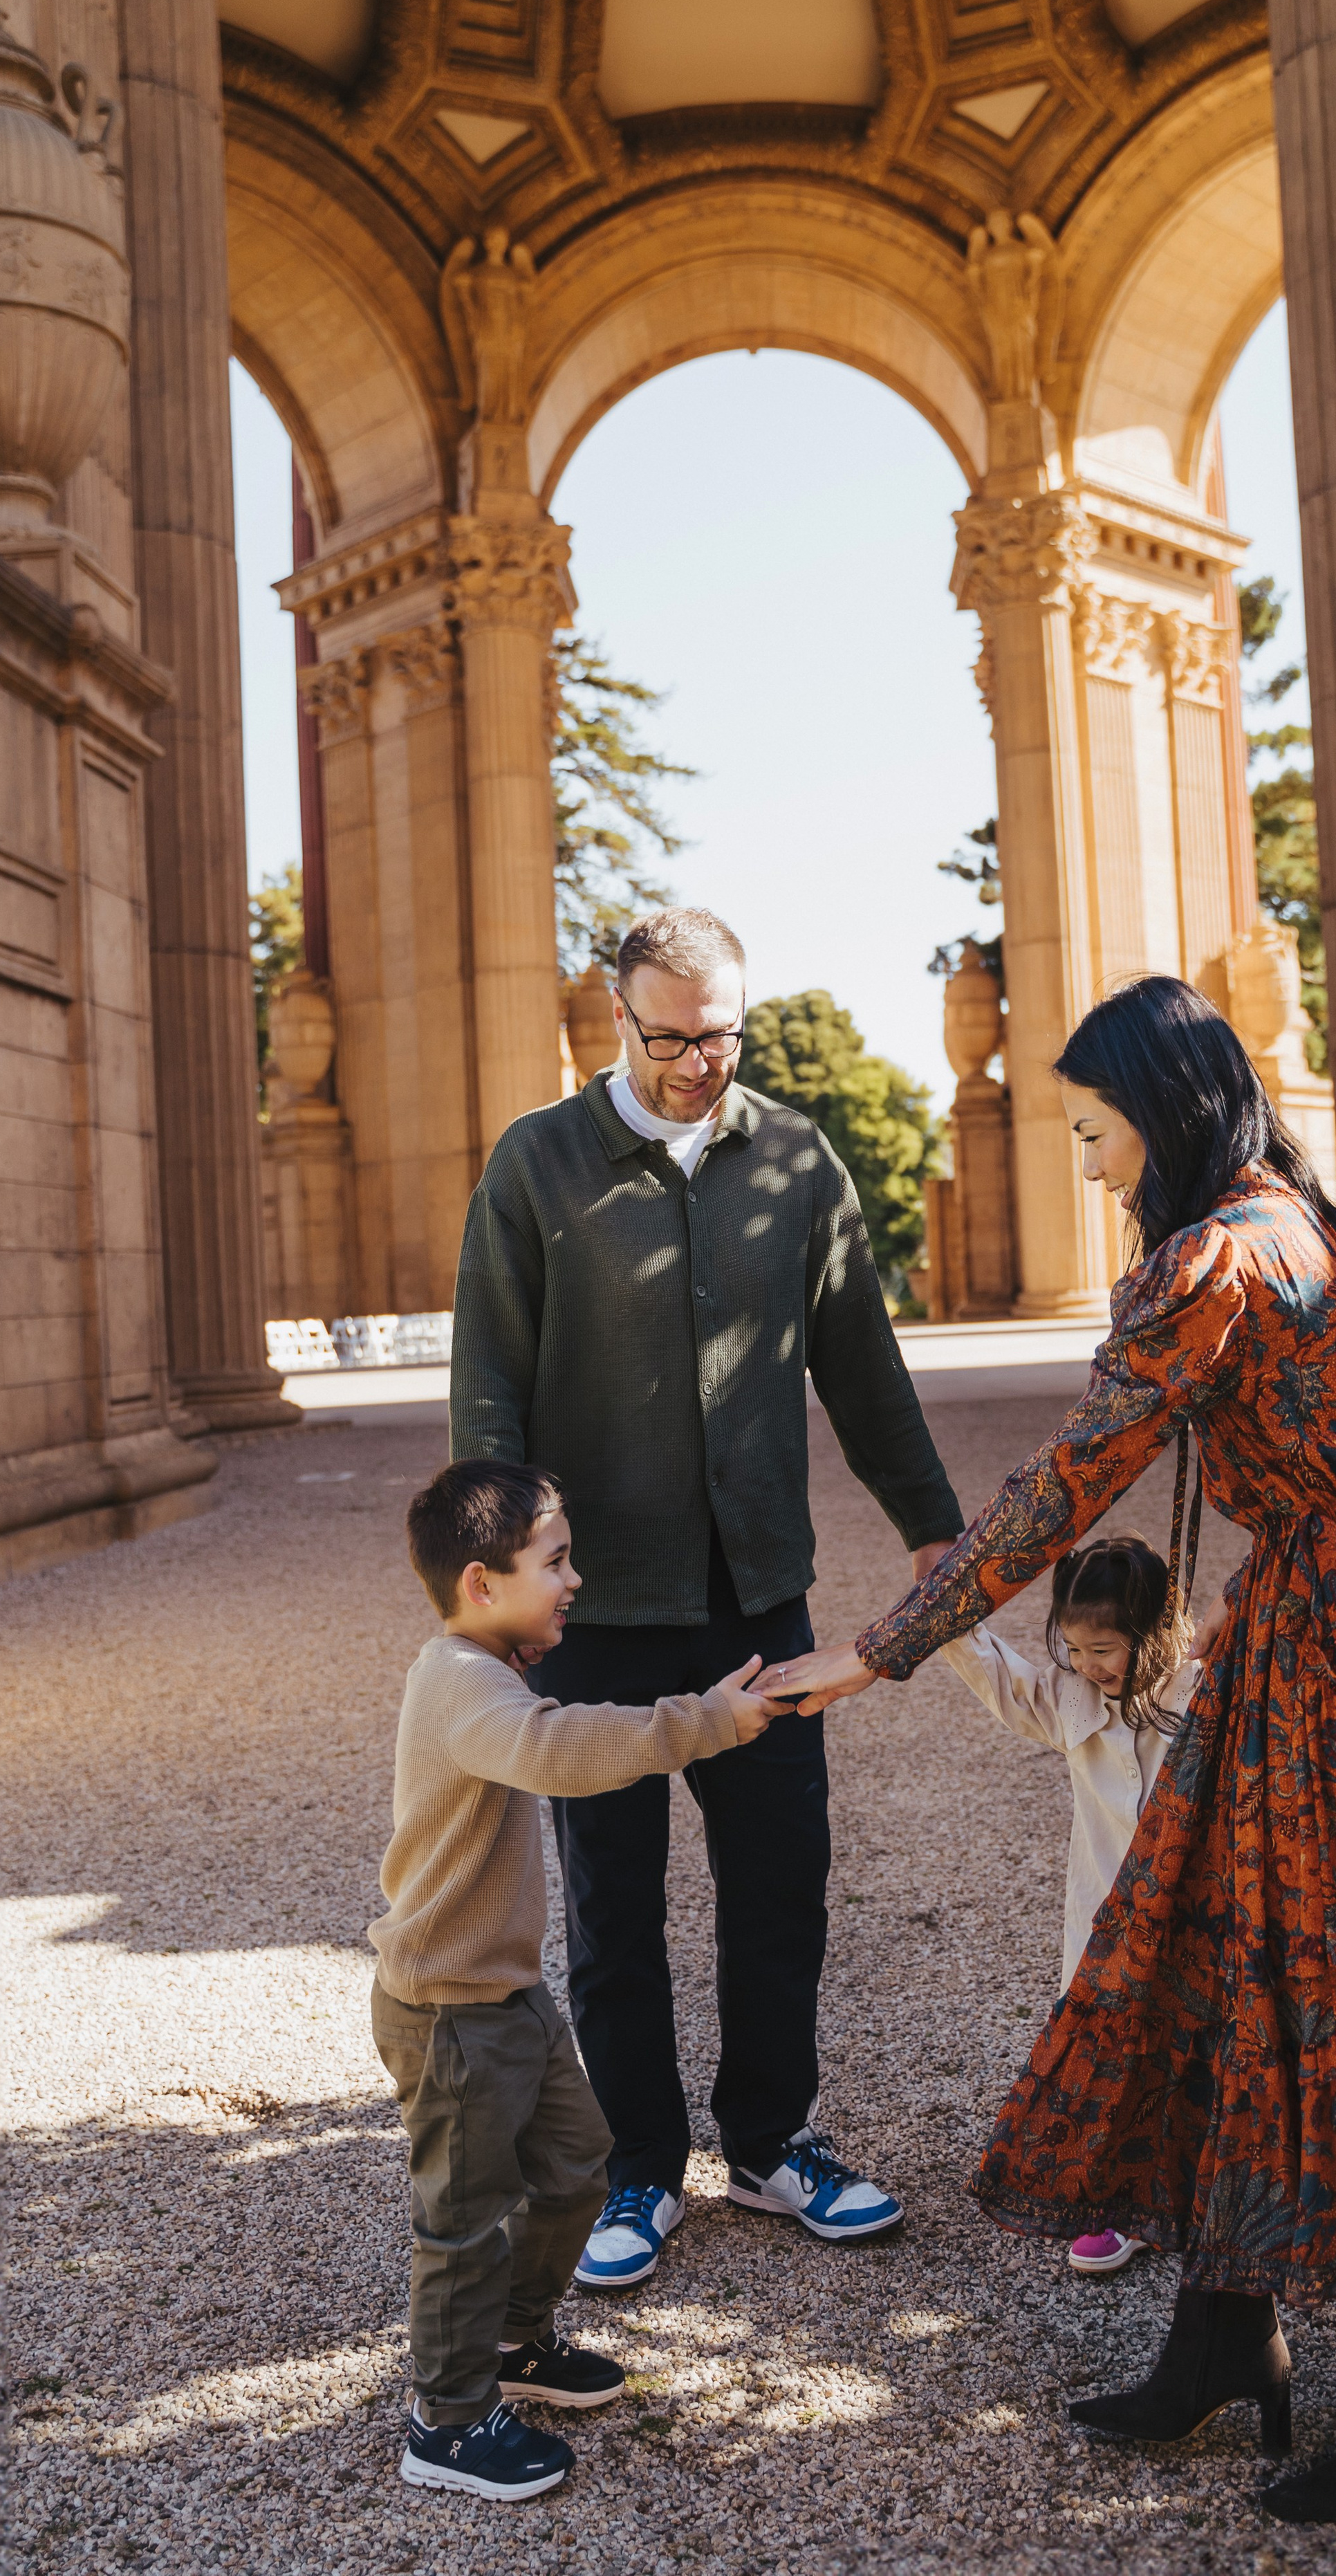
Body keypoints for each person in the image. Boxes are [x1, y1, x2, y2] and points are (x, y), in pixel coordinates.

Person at [778, 975, 1336, 2527]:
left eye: (1095, 1135)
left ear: (1157, 1119)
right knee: (1237, 1963)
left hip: (1331, 1664)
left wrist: (878, 1649)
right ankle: (1223, 2329)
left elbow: (1064, 1482)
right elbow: (1334, 1465)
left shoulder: (1210, 1258)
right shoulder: (1309, 1227)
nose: (1088, 1167)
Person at [449, 907, 961, 2292]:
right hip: (591, 1611)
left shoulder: (794, 1159)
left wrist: (933, 1530)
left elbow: (860, 1360)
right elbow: (486, 1380)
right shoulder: (536, 1163)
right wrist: (496, 1574)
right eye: (669, 1036)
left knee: (780, 1880)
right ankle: (635, 2167)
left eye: (721, 1031)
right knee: (612, 1908)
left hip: (755, 1601)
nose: (697, 1061)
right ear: (616, 1020)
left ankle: (772, 2142)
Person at [371, 1459, 790, 2502]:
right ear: (481, 1582)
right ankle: (449, 2420)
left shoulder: (488, 1667)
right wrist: (700, 1721)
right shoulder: (466, 1684)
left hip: (506, 1993)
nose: (574, 1581)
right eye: (554, 1562)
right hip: (449, 2012)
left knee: (577, 2169)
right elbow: (557, 1752)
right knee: (463, 2220)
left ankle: (512, 2346)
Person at [940, 1532, 1194, 2277]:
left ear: (1157, 1631)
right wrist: (946, 1609)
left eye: (1106, 1649)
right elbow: (1002, 1678)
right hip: (1105, 1926)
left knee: (1198, 2057)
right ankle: (1120, 2203)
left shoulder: (1202, 1692)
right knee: (1112, 2062)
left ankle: (1203, 2194)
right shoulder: (1072, 1698)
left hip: (1196, 1922)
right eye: (1075, 1650)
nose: (1089, 1666)